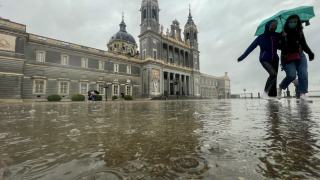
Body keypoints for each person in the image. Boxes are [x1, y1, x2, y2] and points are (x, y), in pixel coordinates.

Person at [238, 20, 280, 100]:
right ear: (268, 26)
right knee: (273, 74)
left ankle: (272, 96)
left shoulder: (277, 36)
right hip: (264, 59)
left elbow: (281, 46)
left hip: (275, 59)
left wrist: (284, 35)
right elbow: (251, 47)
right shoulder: (261, 37)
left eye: (276, 25)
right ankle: (265, 93)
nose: (274, 27)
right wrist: (241, 57)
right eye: (273, 25)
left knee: (274, 77)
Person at [277, 15, 314, 102]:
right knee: (291, 75)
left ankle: (302, 94)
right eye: (291, 22)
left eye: (295, 22)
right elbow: (279, 47)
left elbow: (304, 44)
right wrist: (282, 38)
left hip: (300, 55)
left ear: (298, 22)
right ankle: (280, 88)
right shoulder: (282, 32)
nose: (293, 23)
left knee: (303, 74)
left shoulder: (299, 32)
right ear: (287, 22)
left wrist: (310, 53)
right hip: (287, 56)